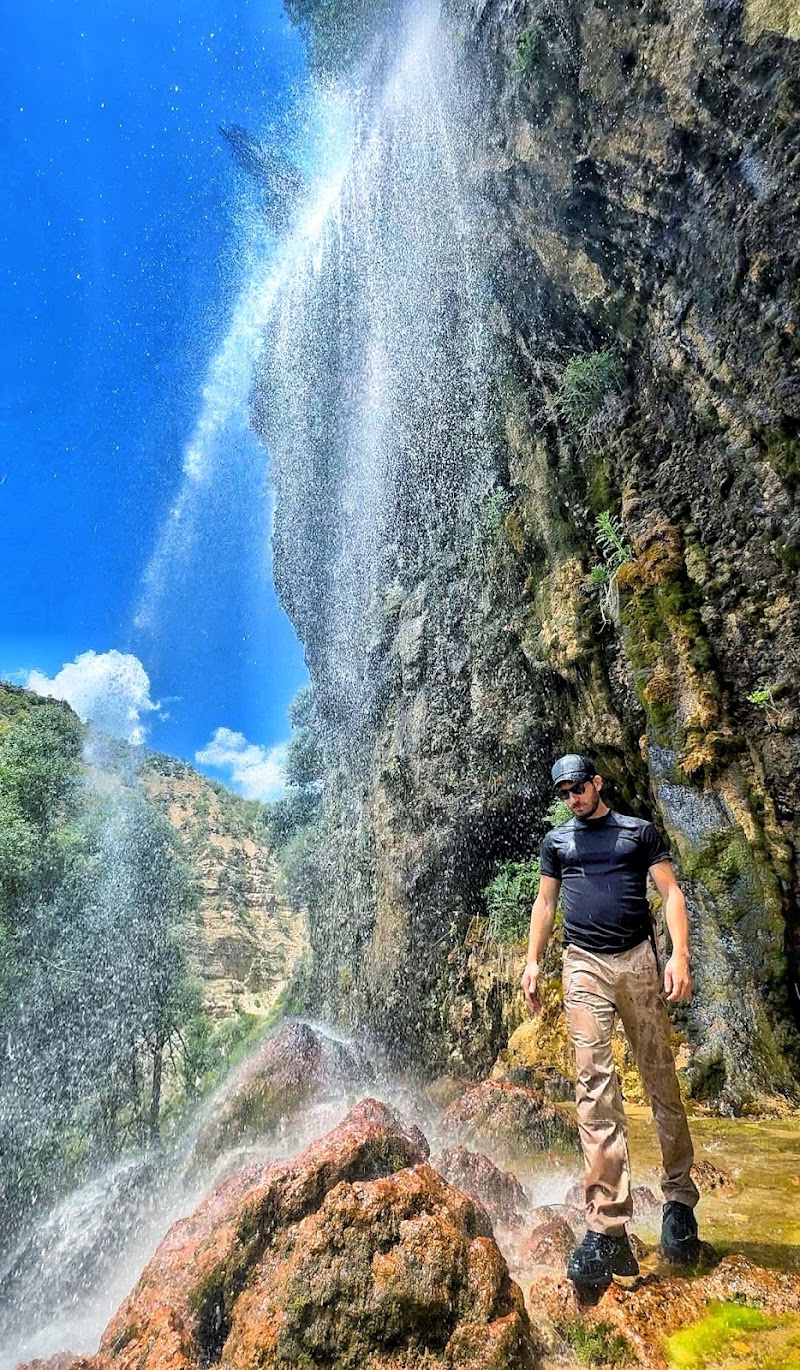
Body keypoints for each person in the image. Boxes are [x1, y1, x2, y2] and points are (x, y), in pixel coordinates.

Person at [521, 753, 701, 1288]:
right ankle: (607, 1228)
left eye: (578, 787)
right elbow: (545, 904)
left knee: (661, 1082)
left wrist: (679, 955)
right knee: (593, 1087)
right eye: (564, 792)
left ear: (597, 783)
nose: (572, 798)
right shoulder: (558, 843)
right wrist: (533, 961)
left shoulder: (636, 833)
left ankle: (679, 1202)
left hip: (638, 961)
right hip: (583, 966)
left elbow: (670, 892)